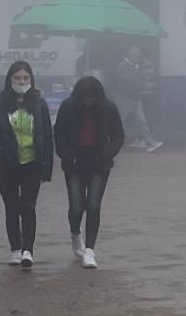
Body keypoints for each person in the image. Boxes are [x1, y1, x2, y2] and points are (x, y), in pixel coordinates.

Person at [0, 61, 54, 268]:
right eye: (17, 78)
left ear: (31, 80)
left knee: (28, 206)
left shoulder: (39, 103)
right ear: (9, 80)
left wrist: (47, 167)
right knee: (11, 207)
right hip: (7, 164)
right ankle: (14, 249)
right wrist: (1, 150)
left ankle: (28, 250)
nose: (22, 82)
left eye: (25, 78)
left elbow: (47, 135)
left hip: (32, 164)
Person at [54, 76, 124, 268]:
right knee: (76, 206)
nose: (88, 102)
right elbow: (58, 133)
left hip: (99, 163)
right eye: (85, 98)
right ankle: (75, 235)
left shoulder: (109, 107)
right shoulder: (68, 107)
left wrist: (108, 152)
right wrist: (66, 155)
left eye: (92, 98)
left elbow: (118, 135)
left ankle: (90, 251)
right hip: (75, 163)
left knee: (93, 205)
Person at [116, 47, 163, 152]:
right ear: (132, 56)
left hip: (134, 97)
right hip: (126, 98)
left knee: (141, 121)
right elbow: (128, 81)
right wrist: (144, 85)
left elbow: (133, 80)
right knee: (119, 122)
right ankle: (111, 141)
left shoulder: (132, 66)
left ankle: (150, 142)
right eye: (138, 56)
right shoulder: (122, 66)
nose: (139, 58)